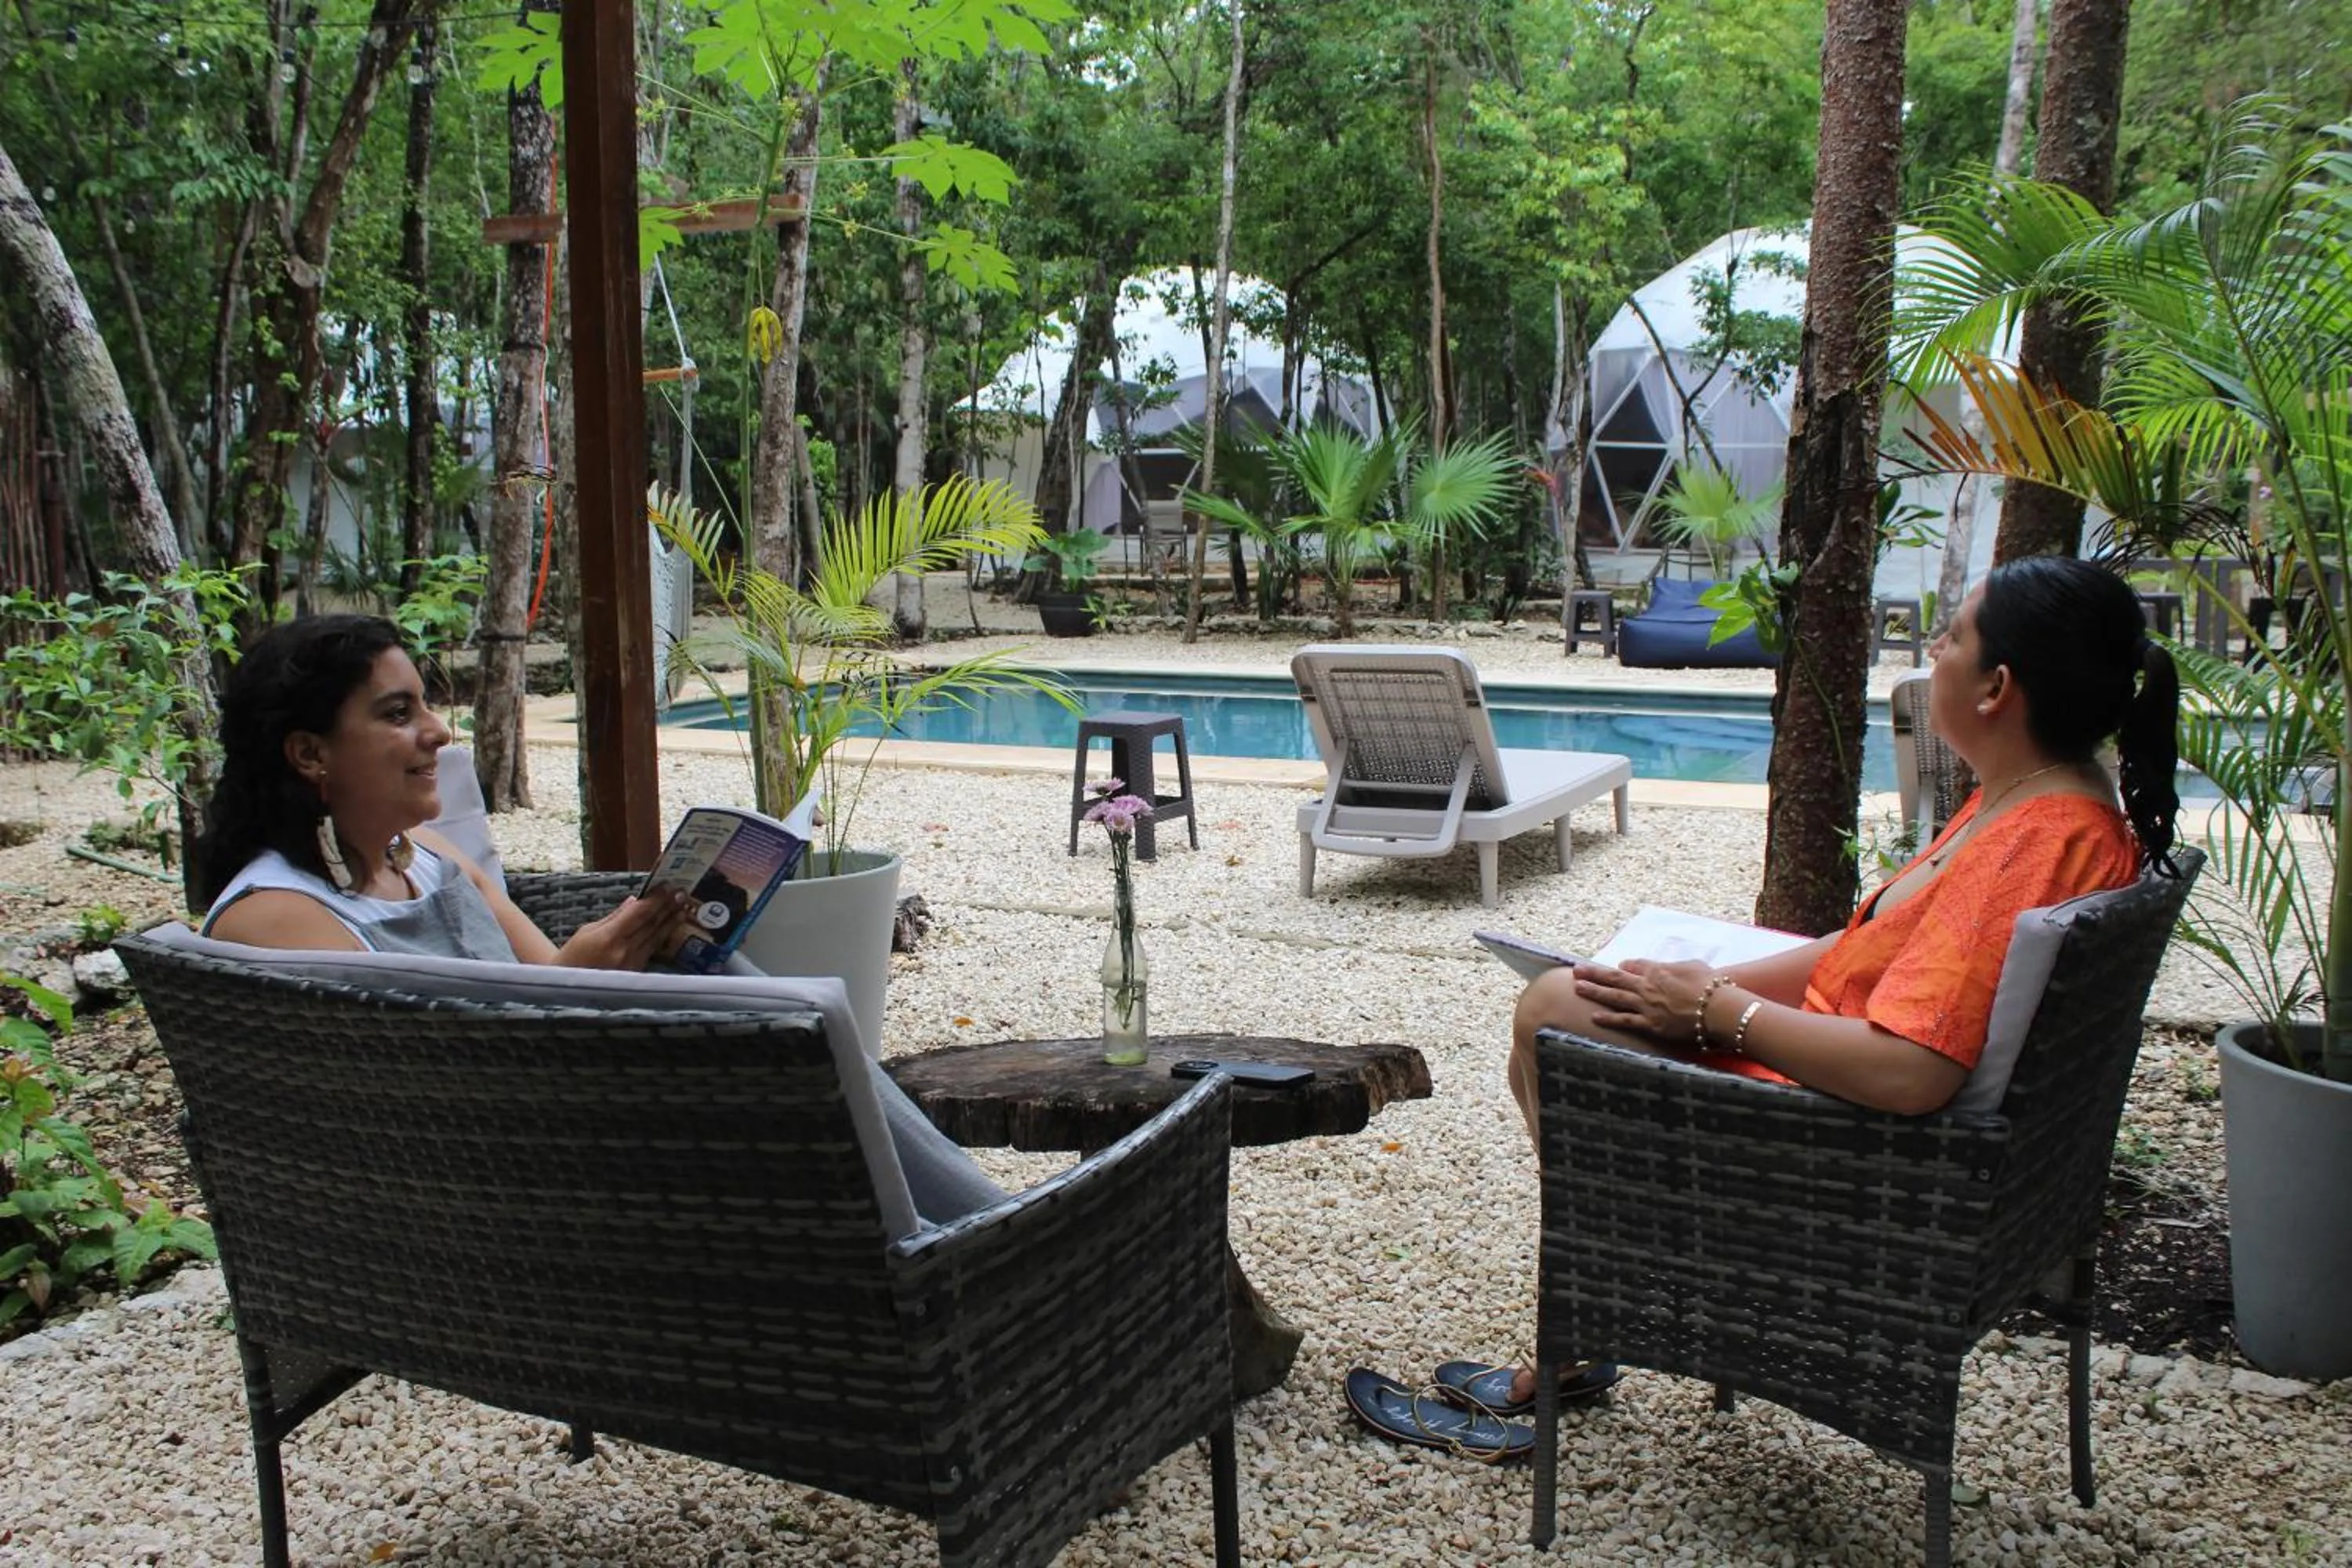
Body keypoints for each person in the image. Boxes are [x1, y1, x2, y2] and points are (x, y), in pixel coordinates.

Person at [1455, 554, 2186, 1417]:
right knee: (1581, 1004)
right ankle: (1601, 1302)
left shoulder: (2035, 841)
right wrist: (1695, 987)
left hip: (1859, 1148)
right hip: (1842, 1081)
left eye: (1951, 635)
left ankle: (1619, 1294)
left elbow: (1914, 1070)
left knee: (1550, 1013)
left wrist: (1717, 1014)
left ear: (1996, 687)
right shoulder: (2033, 800)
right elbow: (1872, 943)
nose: (1932, 652)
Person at [193, 613, 1003, 1225]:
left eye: (429, 706)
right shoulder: (276, 918)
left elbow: (540, 979)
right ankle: (966, 1240)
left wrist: (628, 948)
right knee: (778, 1040)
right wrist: (583, 973)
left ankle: (962, 1233)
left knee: (739, 991)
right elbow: (416, 1109)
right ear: (308, 754)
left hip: (565, 1117)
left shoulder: (433, 856)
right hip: (506, 1190)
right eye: (399, 712)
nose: (440, 731)